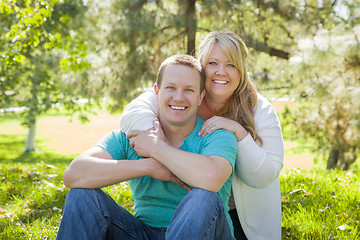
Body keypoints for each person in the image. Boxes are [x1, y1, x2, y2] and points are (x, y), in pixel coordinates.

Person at [120, 30, 284, 240]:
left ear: (241, 70)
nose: (221, 72)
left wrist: (239, 132)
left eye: (231, 65)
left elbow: (264, 176)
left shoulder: (259, 109)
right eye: (212, 63)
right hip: (184, 209)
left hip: (240, 217)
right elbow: (133, 113)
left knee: (204, 200)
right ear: (201, 67)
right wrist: (159, 147)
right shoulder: (184, 95)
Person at [57, 54, 238, 240]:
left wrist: (157, 149)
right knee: (81, 196)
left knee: (203, 198)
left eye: (189, 90)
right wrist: (149, 167)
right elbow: (74, 175)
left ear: (201, 97)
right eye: (171, 88)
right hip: (142, 233)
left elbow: (212, 178)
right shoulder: (133, 136)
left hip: (205, 233)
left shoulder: (216, 135)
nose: (178, 97)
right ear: (157, 91)